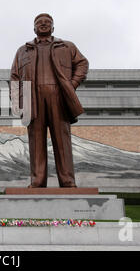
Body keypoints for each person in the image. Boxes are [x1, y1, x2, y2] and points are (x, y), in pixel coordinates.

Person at [10, 13, 88, 188]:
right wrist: (16, 102)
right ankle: (37, 180)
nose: (43, 24)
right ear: (34, 28)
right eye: (39, 22)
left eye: (47, 23)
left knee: (62, 140)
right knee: (35, 140)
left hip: (58, 97)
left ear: (53, 28)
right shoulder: (23, 50)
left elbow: (82, 64)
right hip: (33, 98)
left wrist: (72, 83)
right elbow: (15, 77)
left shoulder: (66, 46)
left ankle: (67, 180)